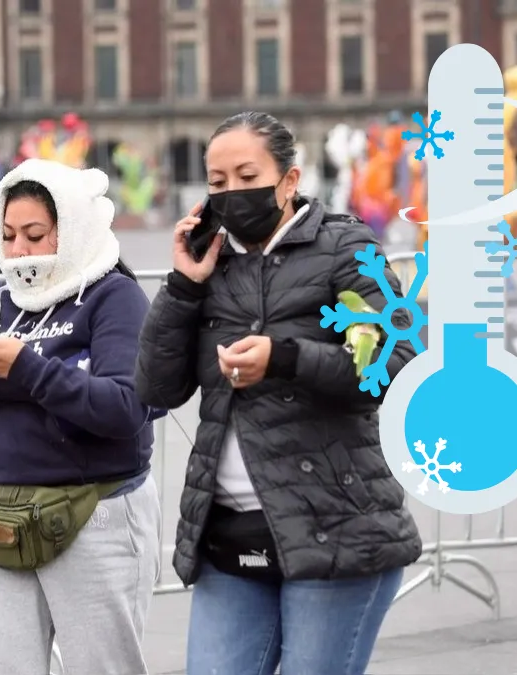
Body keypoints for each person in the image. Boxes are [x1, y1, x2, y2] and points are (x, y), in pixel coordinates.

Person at [134, 112, 423, 675]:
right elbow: (155, 388)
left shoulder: (345, 247)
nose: (232, 194)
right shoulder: (211, 263)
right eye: (217, 182)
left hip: (336, 529)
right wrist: (183, 285)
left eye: (247, 177)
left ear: (289, 181)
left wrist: (285, 358)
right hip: (229, 533)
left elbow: (394, 365)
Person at [0, 158, 163, 675]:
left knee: (102, 668)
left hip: (94, 513)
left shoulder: (113, 295)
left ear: (70, 229)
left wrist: (27, 368)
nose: (19, 251)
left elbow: (126, 407)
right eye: (8, 236)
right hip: (1, 516)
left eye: (34, 235)